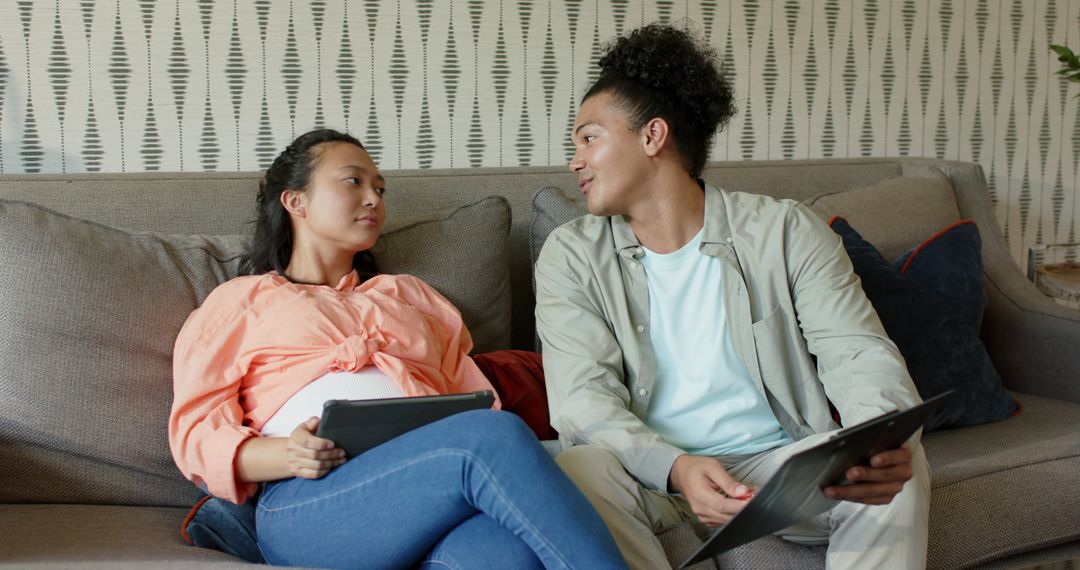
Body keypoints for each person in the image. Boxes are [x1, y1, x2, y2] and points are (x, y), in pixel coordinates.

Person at [534, 24, 930, 570]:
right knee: (576, 471)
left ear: (652, 137)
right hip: (649, 476)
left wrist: (884, 437)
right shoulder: (571, 254)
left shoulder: (786, 231)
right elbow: (582, 400)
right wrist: (675, 466)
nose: (574, 160)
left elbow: (858, 352)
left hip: (776, 469)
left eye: (588, 137)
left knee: (900, 464)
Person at [169, 128, 626, 570]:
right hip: (305, 501)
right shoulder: (243, 300)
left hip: (426, 495)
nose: (374, 198)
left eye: (380, 189)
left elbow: (469, 402)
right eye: (354, 181)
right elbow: (195, 430)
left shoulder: (409, 298)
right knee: (494, 436)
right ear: (295, 200)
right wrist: (286, 453)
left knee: (507, 554)